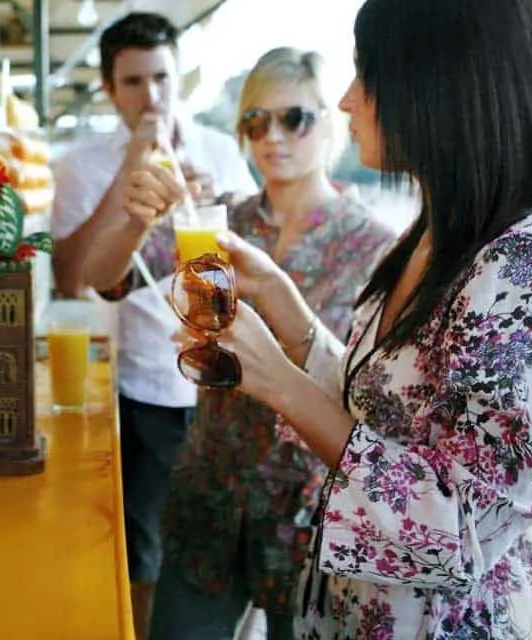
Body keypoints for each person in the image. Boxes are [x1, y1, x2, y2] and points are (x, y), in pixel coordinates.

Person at [177, 0, 532, 637]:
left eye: (367, 73)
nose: (348, 100)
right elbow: (386, 413)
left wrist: (277, 384)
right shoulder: (438, 236)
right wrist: (287, 306)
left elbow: (463, 522)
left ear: (444, 85)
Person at [139, 48, 395, 639]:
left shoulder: (376, 247)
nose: (272, 136)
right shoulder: (218, 224)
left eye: (293, 118)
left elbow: (379, 393)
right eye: (255, 121)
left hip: (310, 512)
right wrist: (140, 209)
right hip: (210, 492)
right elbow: (106, 278)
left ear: (328, 122)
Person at [51, 12, 257, 638]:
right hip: (146, 384)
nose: (152, 97)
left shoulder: (221, 152)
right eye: (135, 82)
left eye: (162, 78)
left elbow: (262, 255)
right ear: (111, 90)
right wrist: (131, 175)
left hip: (231, 384)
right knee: (145, 549)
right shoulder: (82, 164)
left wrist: (205, 211)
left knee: (232, 545)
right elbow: (69, 277)